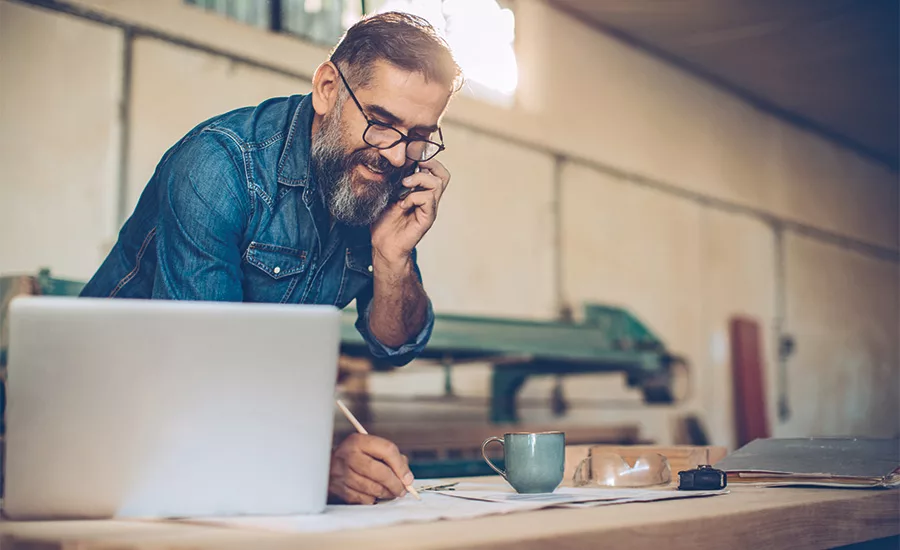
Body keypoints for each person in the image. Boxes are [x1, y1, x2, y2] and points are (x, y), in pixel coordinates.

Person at [80, 12, 462, 505]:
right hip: (110, 422)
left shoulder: (382, 180)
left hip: (223, 443)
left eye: (417, 136)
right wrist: (314, 462)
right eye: (381, 123)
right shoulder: (219, 166)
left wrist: (394, 259)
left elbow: (395, 346)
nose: (394, 154)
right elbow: (200, 370)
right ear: (328, 87)